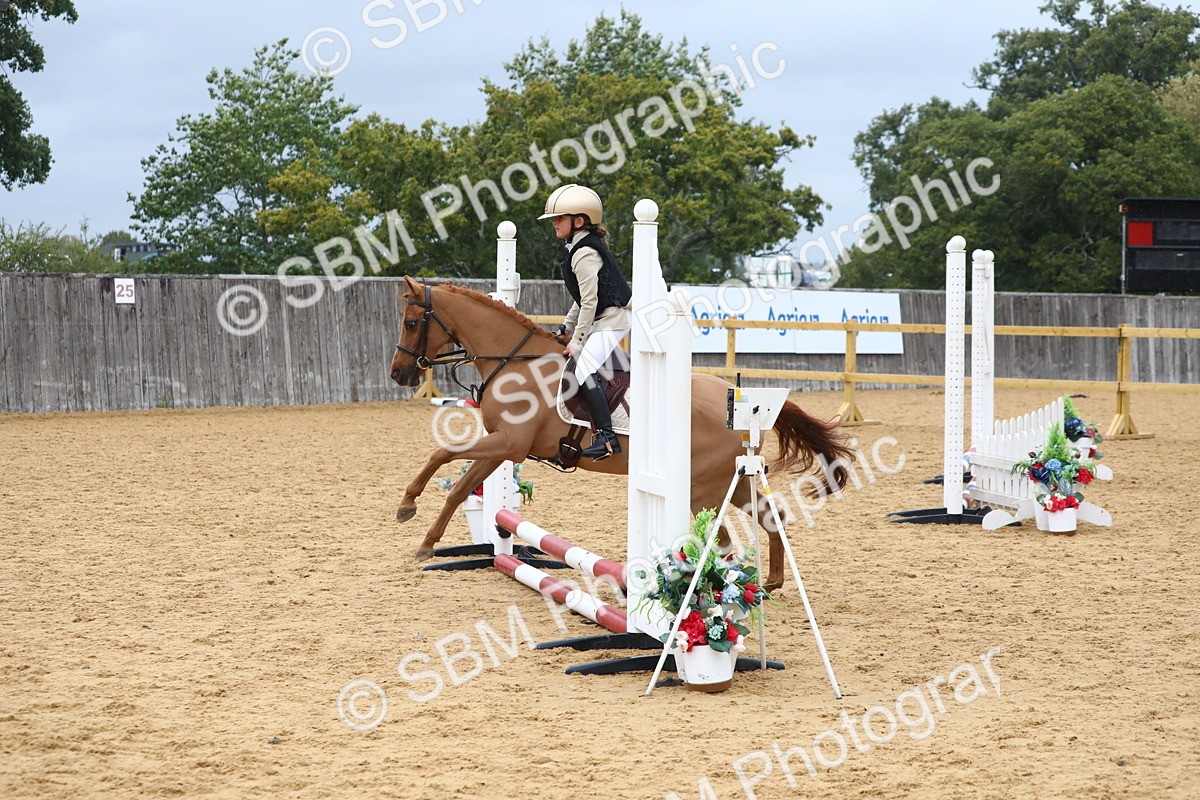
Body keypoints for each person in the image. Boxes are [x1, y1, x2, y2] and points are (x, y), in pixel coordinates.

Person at [538, 184, 632, 460]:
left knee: (583, 369)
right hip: (606, 317)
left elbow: (590, 302)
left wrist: (577, 342)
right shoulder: (577, 249)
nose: (554, 224)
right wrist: (567, 327)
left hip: (614, 318)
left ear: (578, 221)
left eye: (559, 218)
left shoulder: (584, 252)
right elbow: (581, 299)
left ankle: (608, 438)